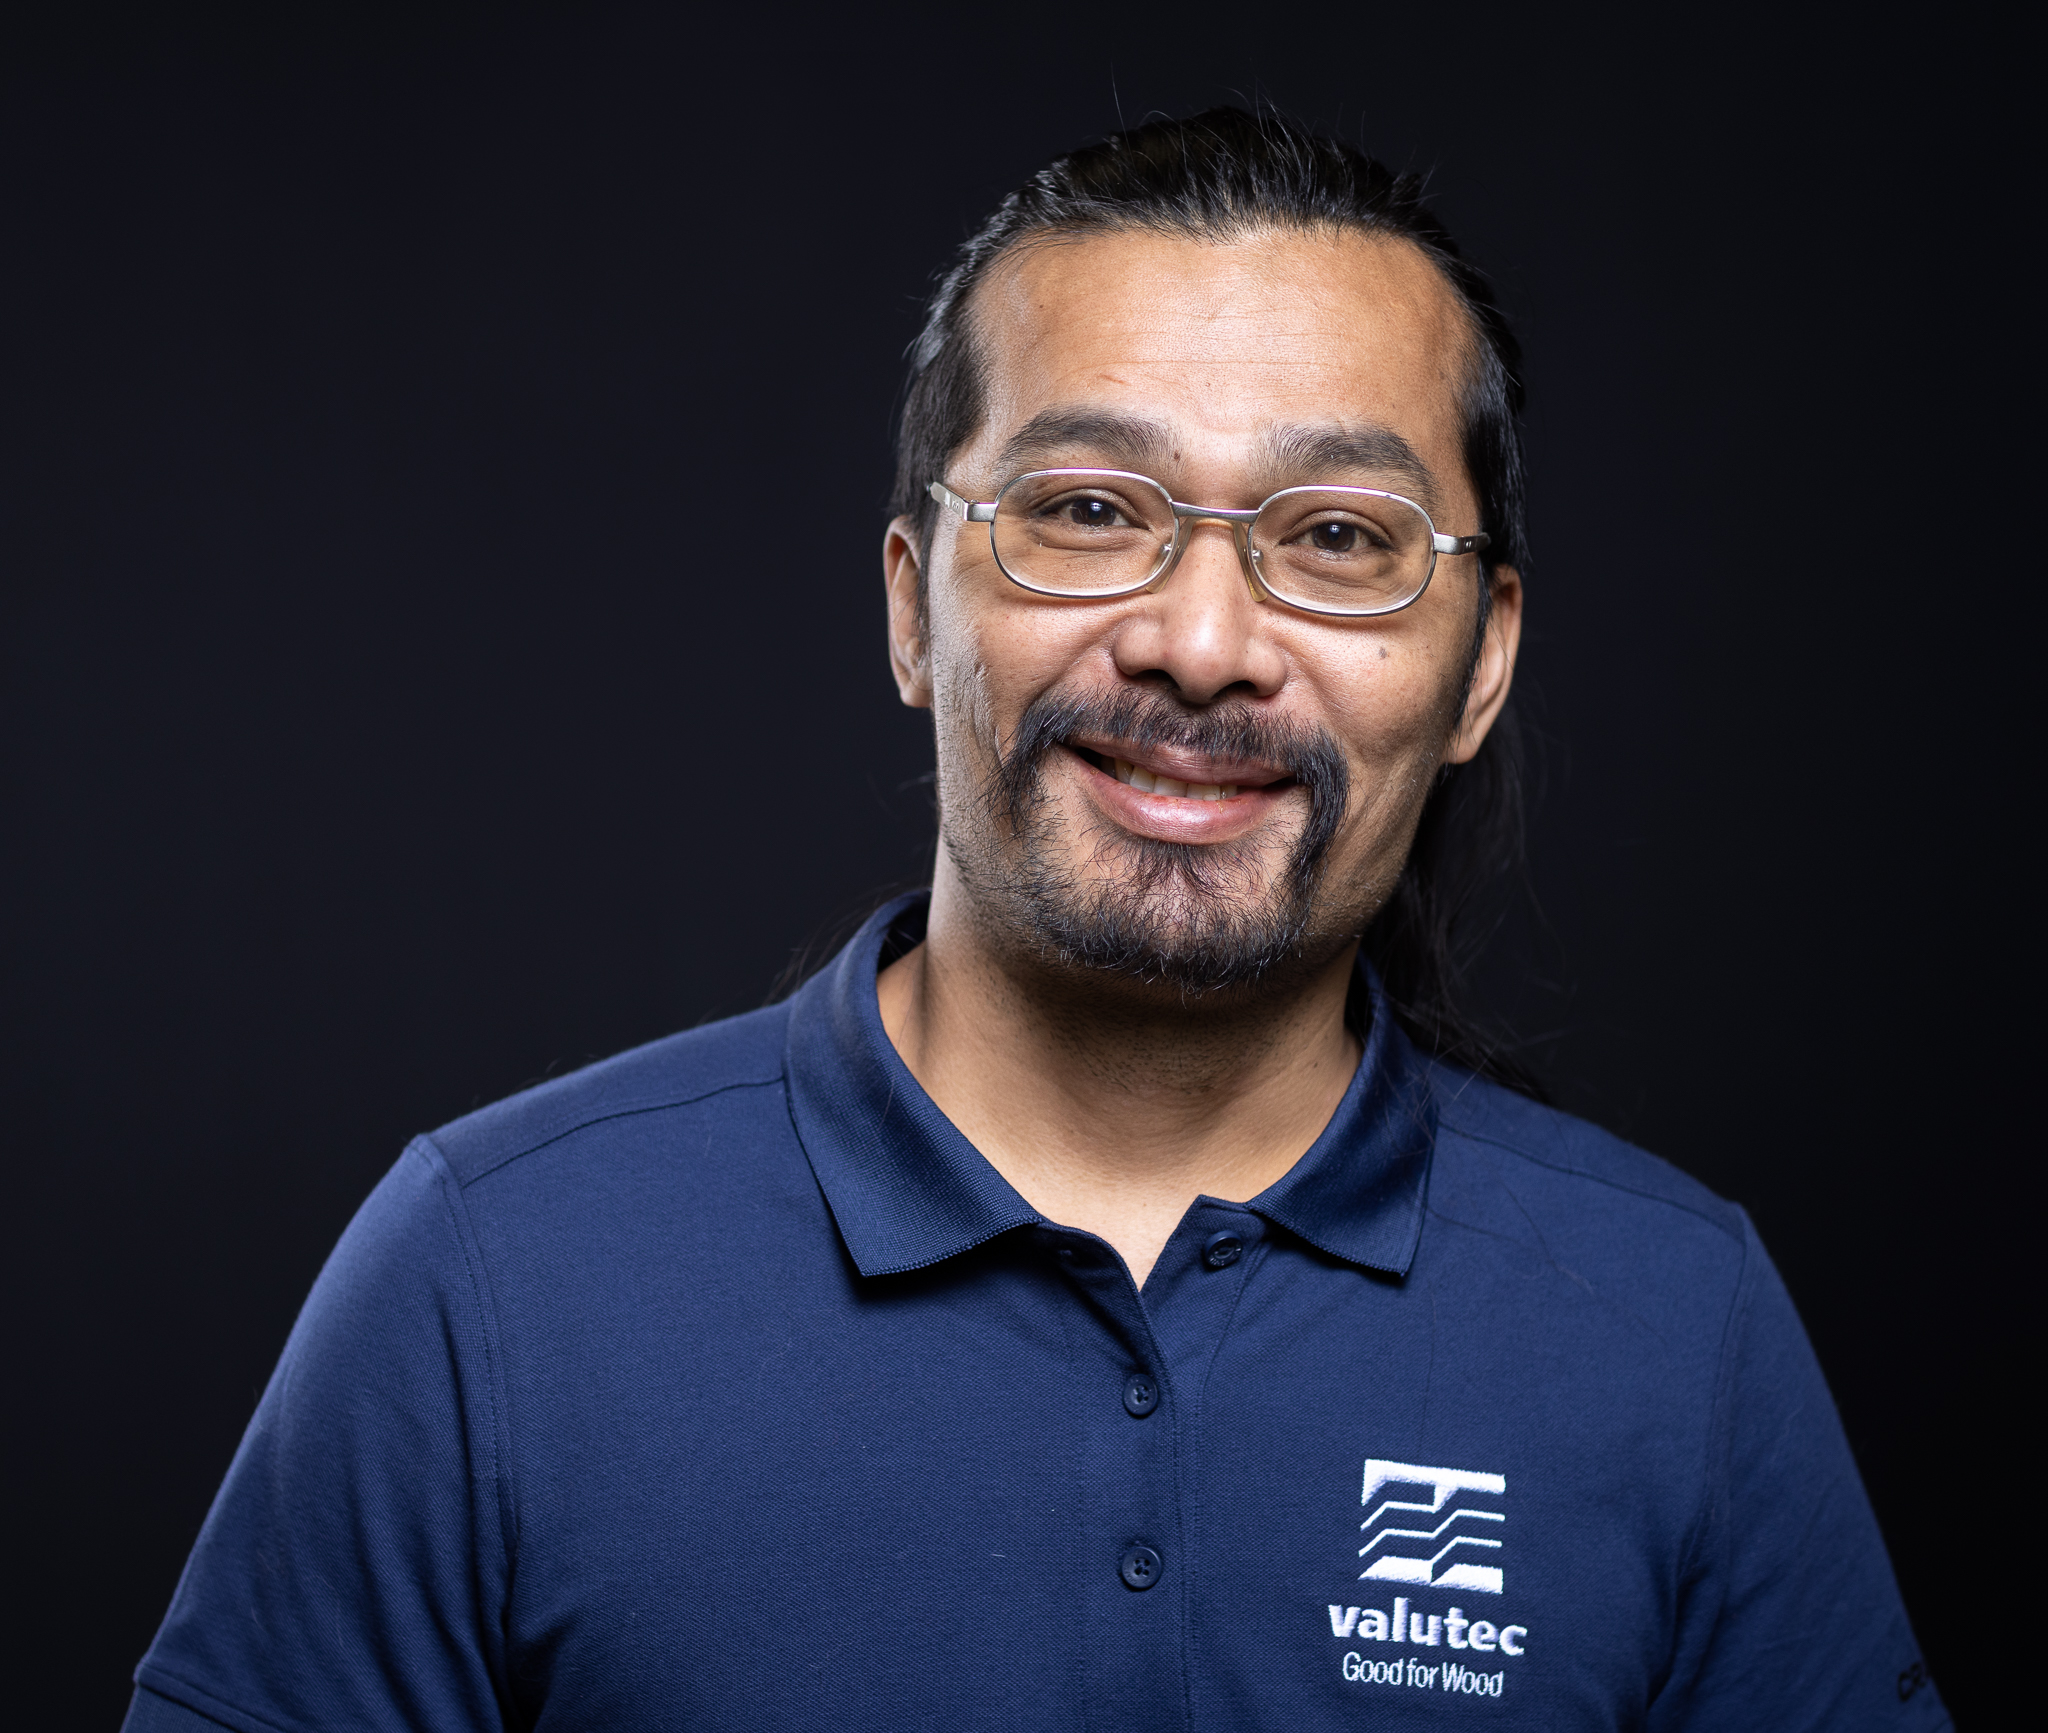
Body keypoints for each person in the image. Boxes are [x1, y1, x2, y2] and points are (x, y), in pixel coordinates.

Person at [124, 108, 1946, 1732]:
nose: (1203, 644)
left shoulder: (1674, 1324)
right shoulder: (489, 1277)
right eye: (1086, 509)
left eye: (1337, 536)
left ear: (1481, 663)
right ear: (913, 609)